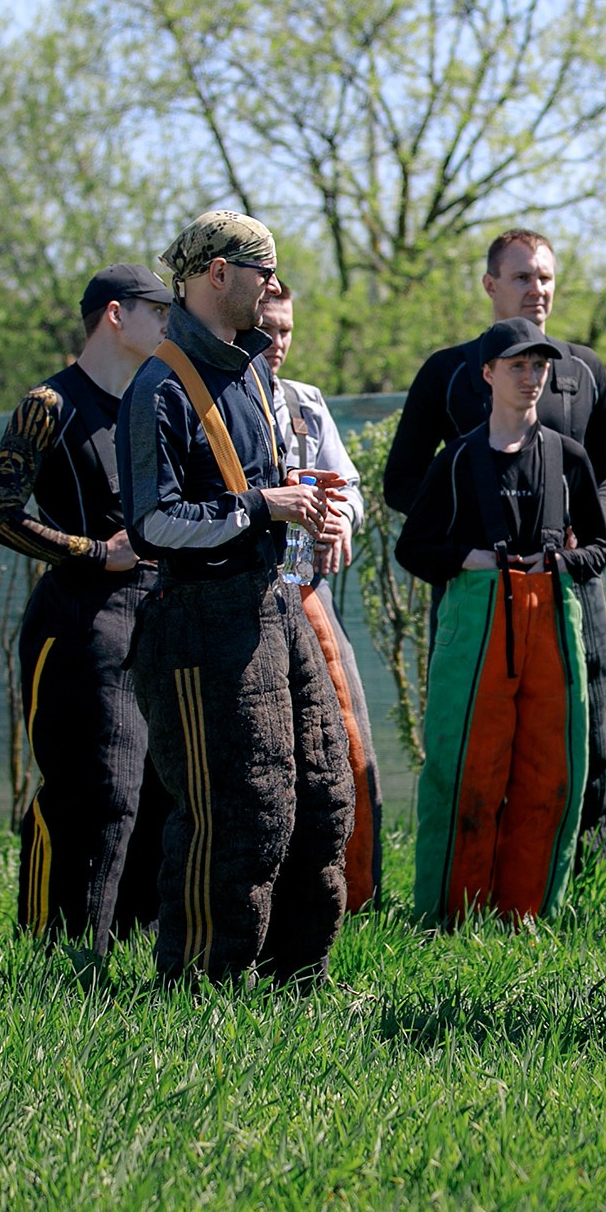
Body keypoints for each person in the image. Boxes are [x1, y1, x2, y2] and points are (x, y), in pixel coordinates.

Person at [116, 210, 352, 986]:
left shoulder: (253, 370)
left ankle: (299, 979)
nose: (274, 289)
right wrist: (262, 506)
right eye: (264, 273)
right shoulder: (159, 387)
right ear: (218, 273)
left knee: (318, 799)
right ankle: (198, 990)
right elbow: (153, 523)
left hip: (274, 605)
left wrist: (301, 513)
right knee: (235, 813)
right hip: (198, 623)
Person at [382, 230, 606, 838]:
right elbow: (401, 480)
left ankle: (578, 876)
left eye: (545, 277)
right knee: (477, 732)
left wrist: (585, 529)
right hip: (478, 588)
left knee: (583, 727)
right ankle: (472, 880)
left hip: (567, 583)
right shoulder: (449, 371)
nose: (536, 289)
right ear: (490, 285)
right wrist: (467, 538)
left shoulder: (584, 368)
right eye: (522, 277)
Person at [0, 262, 176, 958]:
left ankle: (127, 952)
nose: (169, 325)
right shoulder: (49, 403)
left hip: (156, 616)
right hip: (77, 622)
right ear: (116, 316)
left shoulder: (157, 403)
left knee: (157, 793)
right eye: (159, 311)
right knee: (99, 789)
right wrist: (93, 552)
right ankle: (54, 955)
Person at [394, 318, 606, 928]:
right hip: (477, 621)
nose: (531, 377)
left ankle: (530, 915)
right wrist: (468, 558)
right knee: (466, 771)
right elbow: (413, 548)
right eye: (517, 365)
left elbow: (599, 546)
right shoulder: (457, 460)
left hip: (551, 622)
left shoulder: (568, 458)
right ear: (486, 375)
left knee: (551, 773)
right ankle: (449, 916)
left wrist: (561, 561)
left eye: (539, 366)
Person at [255, 279, 386, 911]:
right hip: (243, 603)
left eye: (285, 331)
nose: (276, 343)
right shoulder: (209, 398)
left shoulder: (305, 401)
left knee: (345, 738)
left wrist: (343, 519)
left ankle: (352, 896)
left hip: (311, 596)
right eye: (265, 329)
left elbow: (350, 486)